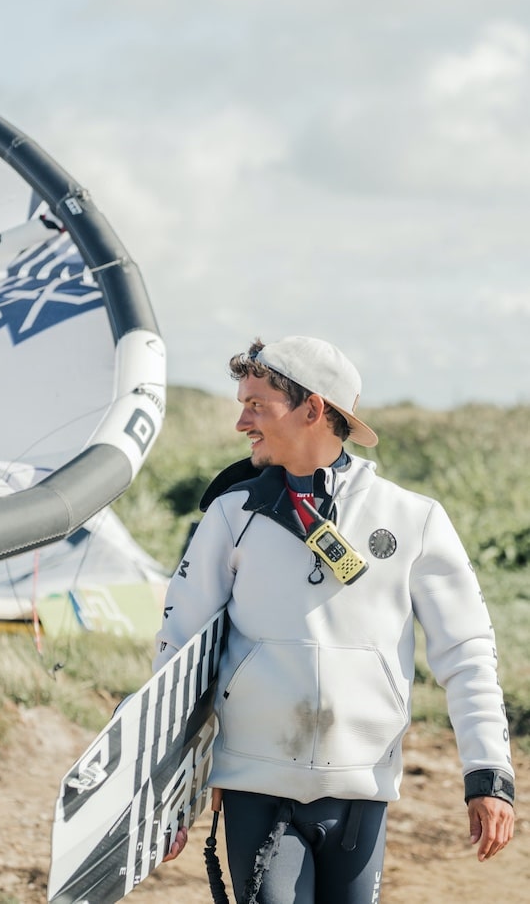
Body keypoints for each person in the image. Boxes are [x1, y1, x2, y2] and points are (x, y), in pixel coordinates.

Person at [155, 336, 515, 903]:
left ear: (313, 409)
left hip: (360, 792)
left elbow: (466, 650)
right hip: (255, 785)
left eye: (257, 405)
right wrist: (172, 788)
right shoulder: (231, 514)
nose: (241, 422)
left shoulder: (412, 518)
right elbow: (179, 653)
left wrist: (489, 774)